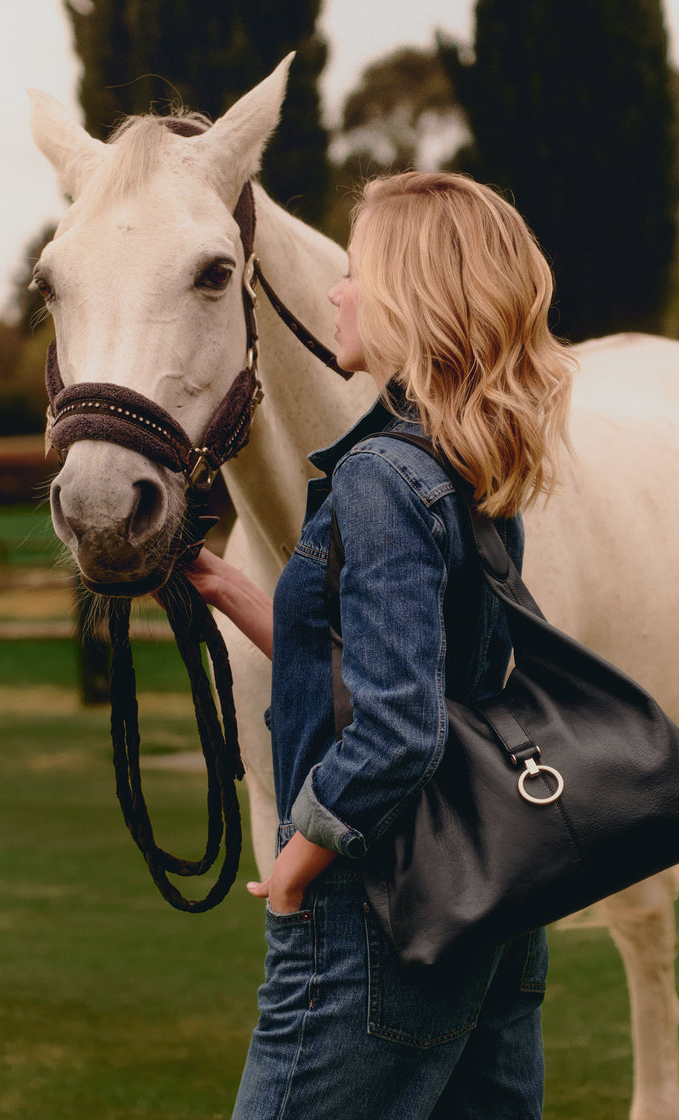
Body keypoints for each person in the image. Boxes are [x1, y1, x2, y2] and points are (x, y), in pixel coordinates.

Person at [185, 171, 573, 1119]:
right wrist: (229, 586)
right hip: (494, 903)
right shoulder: (468, 468)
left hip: (376, 915)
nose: (335, 291)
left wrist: (298, 863)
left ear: (410, 297)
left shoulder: (377, 477)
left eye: (357, 270)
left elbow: (398, 726)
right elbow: (407, 672)